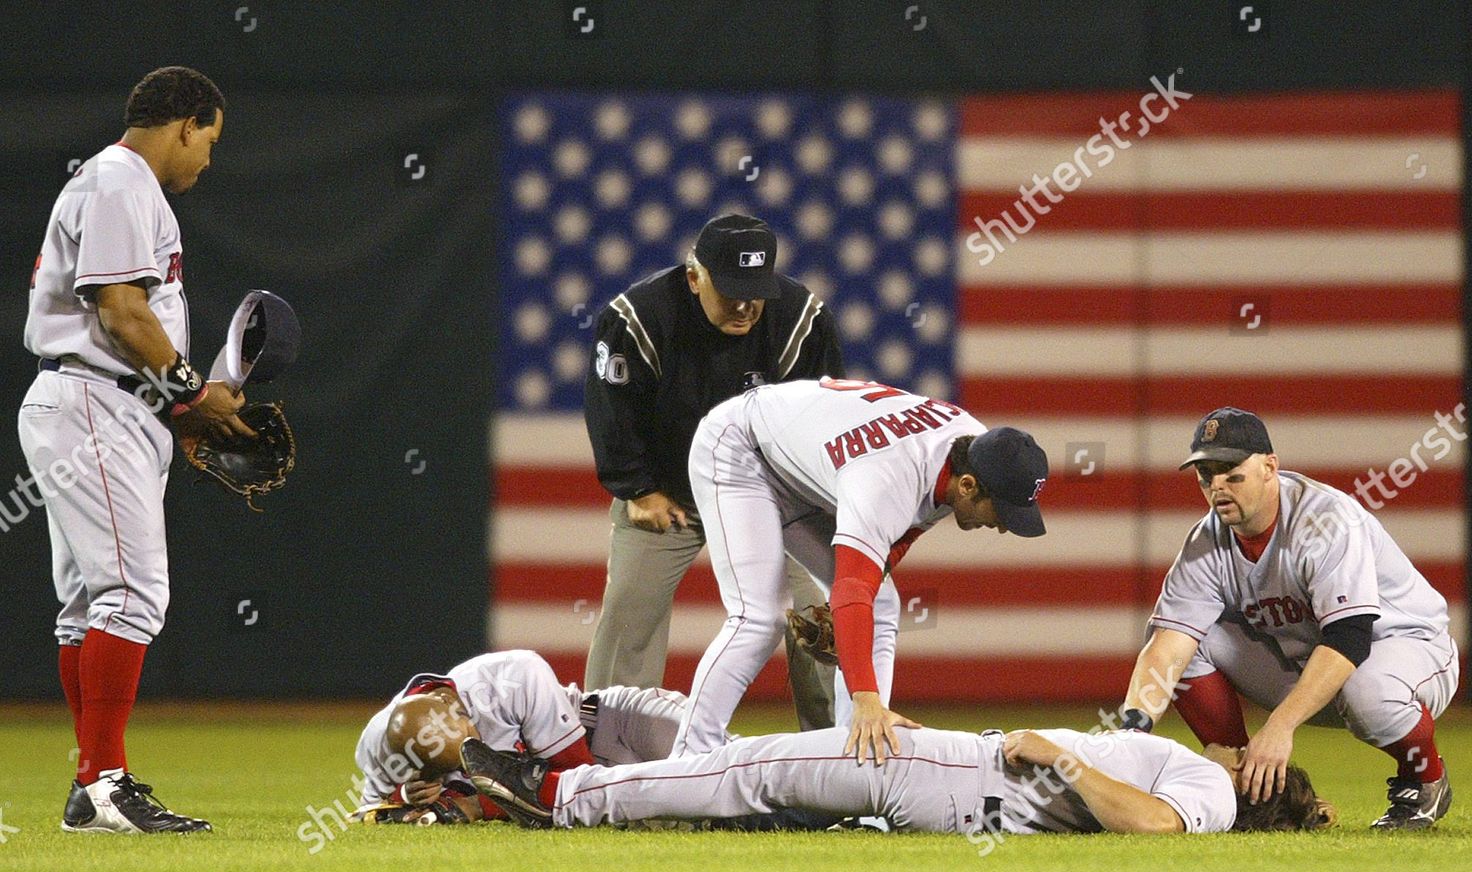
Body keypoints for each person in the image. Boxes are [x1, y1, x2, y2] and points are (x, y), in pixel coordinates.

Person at [20, 66, 255, 834]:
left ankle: (96, 785)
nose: (208, 160)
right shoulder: (123, 182)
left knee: (88, 606)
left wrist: (174, 411)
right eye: (210, 141)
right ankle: (103, 785)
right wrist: (190, 396)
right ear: (186, 123)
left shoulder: (112, 183)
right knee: (132, 595)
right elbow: (122, 311)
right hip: (93, 402)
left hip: (95, 402)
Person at [669, 377, 1050, 764]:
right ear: (968, 486)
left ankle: (853, 763)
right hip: (740, 448)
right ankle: (686, 761)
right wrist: (863, 692)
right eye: (1002, 512)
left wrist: (855, 620)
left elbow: (900, 534)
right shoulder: (889, 479)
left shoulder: (970, 447)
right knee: (760, 616)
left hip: (792, 464)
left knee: (881, 604)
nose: (1003, 525)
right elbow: (852, 587)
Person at [1118, 408, 1459, 829]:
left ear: (1269, 467)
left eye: (1231, 472)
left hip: (1404, 649)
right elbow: (1166, 648)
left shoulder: (1326, 520)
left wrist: (1279, 726)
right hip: (1306, 663)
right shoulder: (1206, 542)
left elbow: (1350, 638)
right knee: (1191, 644)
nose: (1217, 486)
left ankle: (1424, 781)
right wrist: (1130, 735)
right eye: (1206, 474)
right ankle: (1253, 786)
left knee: (1367, 690)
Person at [583, 214, 843, 730]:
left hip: (774, 498)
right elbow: (612, 410)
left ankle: (836, 760)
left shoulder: (802, 319)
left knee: (822, 621)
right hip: (668, 492)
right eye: (731, 290)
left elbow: (825, 419)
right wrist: (637, 488)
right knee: (629, 616)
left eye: (756, 290)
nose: (745, 305)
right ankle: (604, 758)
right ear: (695, 276)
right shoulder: (639, 317)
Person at [458, 723, 1335, 835]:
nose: (1243, 751)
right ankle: (510, 804)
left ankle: (555, 795)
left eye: (1263, 764)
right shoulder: (1208, 780)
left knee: (743, 771)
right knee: (749, 798)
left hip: (959, 777)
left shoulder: (1215, 794)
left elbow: (1154, 829)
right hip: (955, 778)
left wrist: (1064, 758)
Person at [352, 650, 685, 818]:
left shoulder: (513, 675)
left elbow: (580, 783)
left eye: (471, 733)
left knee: (724, 772)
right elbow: (370, 816)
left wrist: (475, 806)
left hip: (618, 723)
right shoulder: (380, 743)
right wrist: (407, 798)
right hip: (595, 778)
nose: (474, 748)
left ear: (452, 701)